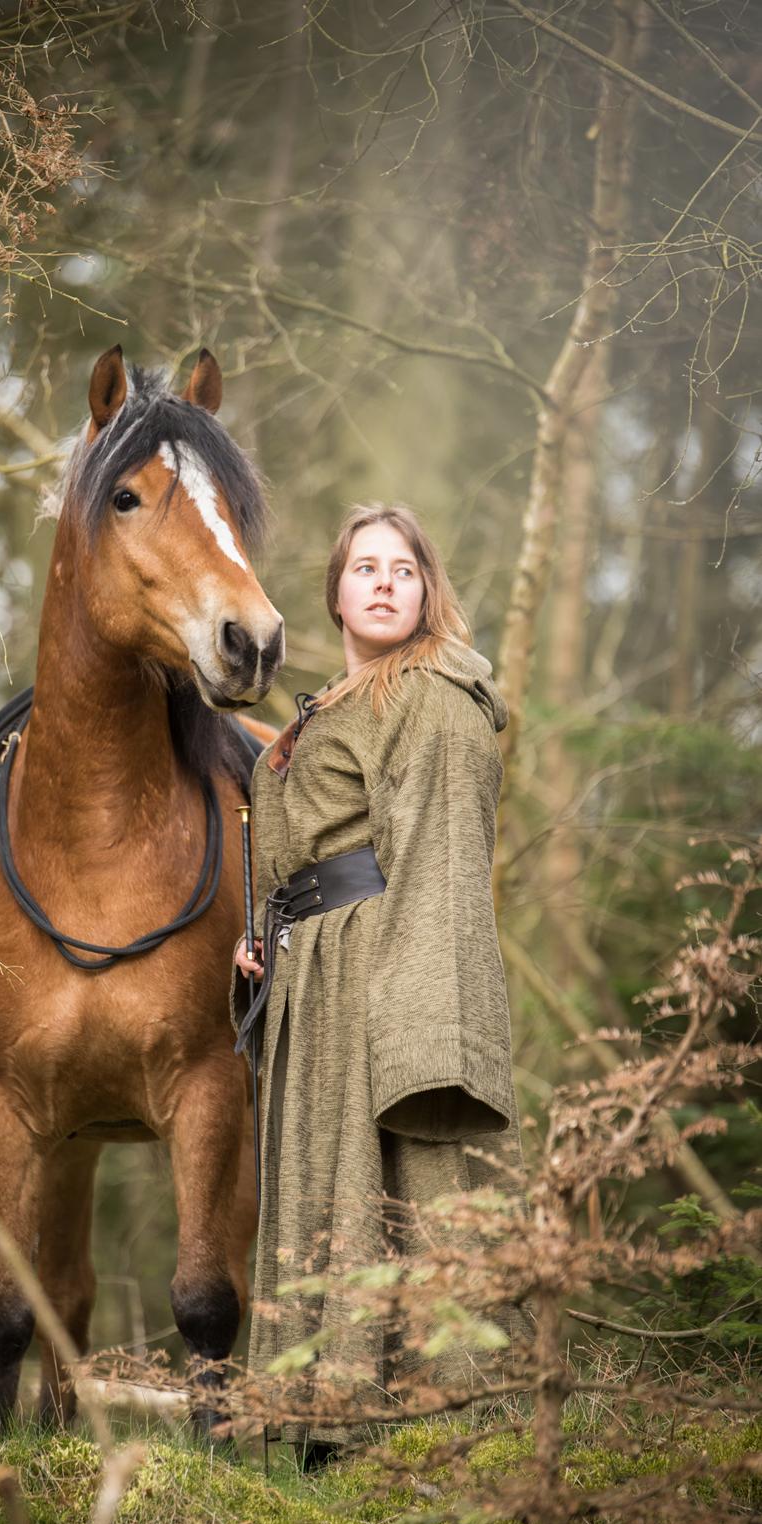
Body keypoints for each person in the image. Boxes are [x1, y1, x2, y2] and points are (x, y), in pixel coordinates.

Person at [232, 503, 529, 1470]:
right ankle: (334, 1419)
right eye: (366, 566)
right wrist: (267, 943)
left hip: (382, 968)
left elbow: (440, 863)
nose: (387, 580)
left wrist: (424, 1025)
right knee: (328, 1189)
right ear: (336, 594)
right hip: (316, 974)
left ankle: (438, 1423)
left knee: (401, 1187)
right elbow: (304, 847)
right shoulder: (326, 706)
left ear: (427, 588)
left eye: (404, 567)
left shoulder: (433, 697)